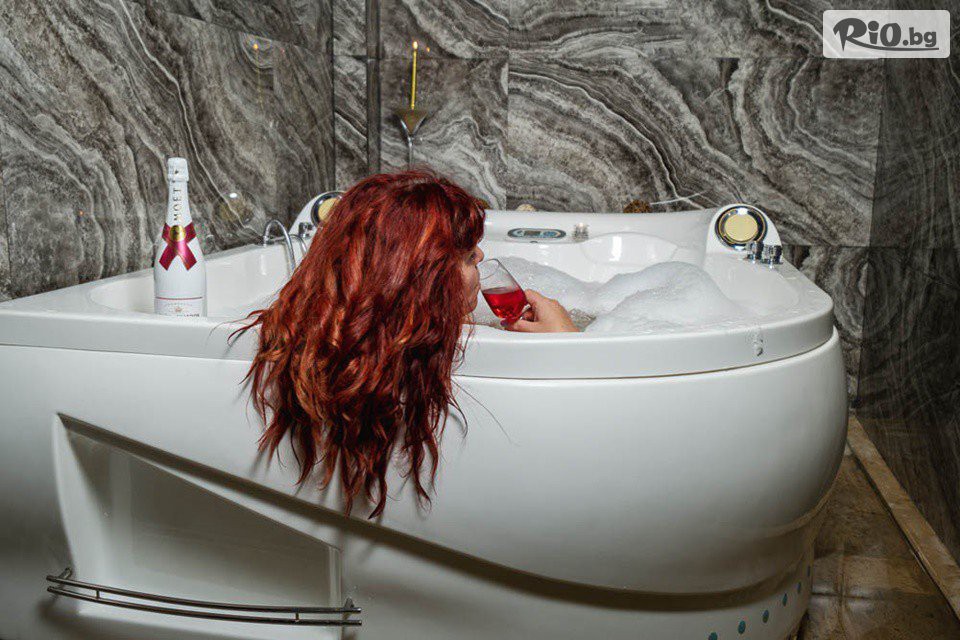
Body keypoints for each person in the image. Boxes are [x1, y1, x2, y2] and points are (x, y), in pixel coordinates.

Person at [237, 170, 576, 517]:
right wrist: (568, 344)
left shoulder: (318, 330)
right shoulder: (421, 352)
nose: (480, 257)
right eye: (466, 255)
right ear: (425, 279)